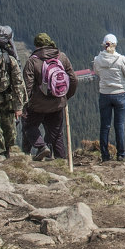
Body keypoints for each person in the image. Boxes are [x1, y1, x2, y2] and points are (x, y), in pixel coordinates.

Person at [21, 32, 77, 161]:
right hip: (57, 103)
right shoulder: (61, 57)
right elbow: (73, 79)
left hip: (37, 106)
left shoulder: (32, 61)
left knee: (29, 127)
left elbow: (27, 87)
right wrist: (66, 96)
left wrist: (24, 105)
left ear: (36, 46)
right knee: (56, 134)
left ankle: (41, 147)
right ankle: (60, 160)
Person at [93, 33, 125, 162]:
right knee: (119, 125)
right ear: (115, 45)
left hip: (104, 94)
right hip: (119, 94)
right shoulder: (121, 59)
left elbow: (96, 72)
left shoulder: (97, 59)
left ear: (103, 45)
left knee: (105, 126)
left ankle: (105, 155)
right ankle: (121, 154)